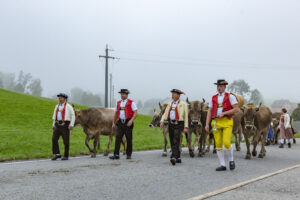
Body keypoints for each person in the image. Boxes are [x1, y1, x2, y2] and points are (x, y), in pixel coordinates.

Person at [205, 79, 239, 171]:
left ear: (225, 87)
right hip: (216, 122)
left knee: (226, 142)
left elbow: (236, 109)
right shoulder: (213, 97)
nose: (219, 88)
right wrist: (207, 124)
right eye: (218, 86)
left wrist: (224, 113)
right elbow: (209, 111)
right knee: (218, 144)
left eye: (221, 86)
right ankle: (222, 165)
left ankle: (231, 160)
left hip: (227, 121)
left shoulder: (230, 96)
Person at [160, 89, 189, 166]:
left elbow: (186, 116)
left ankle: (173, 157)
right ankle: (178, 157)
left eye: (174, 93)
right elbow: (165, 113)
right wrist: (162, 121)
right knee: (172, 140)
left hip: (179, 123)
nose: (172, 95)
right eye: (172, 93)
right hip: (171, 123)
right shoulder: (170, 104)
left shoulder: (183, 104)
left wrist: (186, 127)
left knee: (176, 139)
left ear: (178, 95)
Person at [110, 89, 138, 160]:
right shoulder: (118, 103)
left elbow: (136, 113)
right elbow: (116, 113)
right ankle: (116, 154)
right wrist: (113, 122)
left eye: (124, 94)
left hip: (128, 122)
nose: (122, 95)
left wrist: (131, 120)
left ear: (127, 94)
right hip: (120, 123)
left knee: (129, 139)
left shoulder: (131, 103)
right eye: (121, 94)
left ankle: (129, 154)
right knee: (118, 138)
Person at [51, 93, 75, 160]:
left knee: (66, 141)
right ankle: (57, 154)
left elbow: (73, 115)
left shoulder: (68, 106)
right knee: (54, 139)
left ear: (65, 99)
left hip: (65, 125)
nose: (60, 99)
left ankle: (66, 155)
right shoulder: (57, 106)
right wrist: (53, 124)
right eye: (59, 98)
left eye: (61, 98)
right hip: (57, 124)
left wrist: (71, 124)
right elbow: (54, 116)